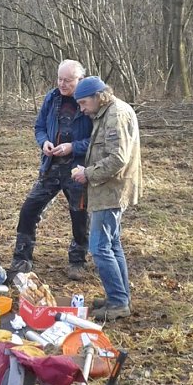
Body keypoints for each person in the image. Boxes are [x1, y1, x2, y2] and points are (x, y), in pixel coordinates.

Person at [10, 59, 93, 281]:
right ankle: (22, 258)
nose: (62, 84)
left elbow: (97, 140)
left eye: (68, 80)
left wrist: (73, 147)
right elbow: (39, 127)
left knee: (79, 215)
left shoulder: (89, 101)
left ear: (80, 80)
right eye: (59, 79)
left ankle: (77, 261)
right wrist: (44, 142)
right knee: (29, 209)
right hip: (50, 167)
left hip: (77, 169)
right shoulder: (52, 98)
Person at [71, 77, 141, 320]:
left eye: (83, 102)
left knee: (99, 247)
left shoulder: (115, 115)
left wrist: (87, 173)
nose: (82, 108)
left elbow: (118, 158)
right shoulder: (108, 111)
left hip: (110, 190)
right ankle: (119, 297)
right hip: (110, 189)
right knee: (112, 244)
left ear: (99, 95)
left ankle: (119, 302)